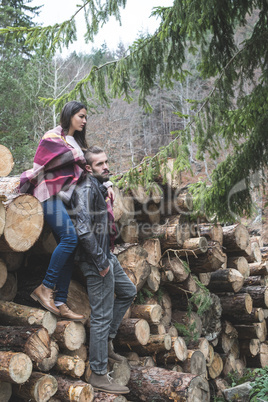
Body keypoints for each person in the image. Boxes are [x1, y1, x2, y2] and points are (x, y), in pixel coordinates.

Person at [70, 146, 137, 394]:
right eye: (100, 164)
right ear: (88, 168)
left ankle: (107, 341)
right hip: (96, 260)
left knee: (128, 291)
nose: (106, 166)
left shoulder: (96, 185)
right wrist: (101, 263)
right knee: (100, 316)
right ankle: (99, 374)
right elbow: (84, 230)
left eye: (106, 162)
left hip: (106, 255)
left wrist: (105, 187)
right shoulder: (86, 188)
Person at [19, 101, 89, 320]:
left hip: (63, 198)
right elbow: (43, 164)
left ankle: (60, 301)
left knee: (70, 245)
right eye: (81, 116)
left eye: (86, 117)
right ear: (69, 115)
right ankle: (45, 287)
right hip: (47, 192)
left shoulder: (76, 143)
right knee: (70, 238)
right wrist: (77, 157)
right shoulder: (52, 137)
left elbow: (80, 171)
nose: (84, 121)